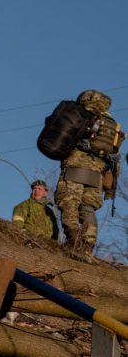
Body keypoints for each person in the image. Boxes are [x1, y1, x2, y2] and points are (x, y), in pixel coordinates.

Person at [56, 90, 123, 255]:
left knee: (69, 202)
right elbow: (115, 156)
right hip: (98, 173)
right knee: (88, 208)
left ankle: (73, 241)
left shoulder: (84, 116)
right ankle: (87, 246)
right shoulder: (112, 124)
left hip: (76, 166)